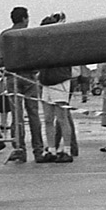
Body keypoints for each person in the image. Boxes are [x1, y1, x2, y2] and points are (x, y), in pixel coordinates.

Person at [0, 7, 45, 164]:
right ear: (24, 19)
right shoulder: (32, 35)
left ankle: (19, 149)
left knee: (17, 116)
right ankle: (38, 150)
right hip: (30, 77)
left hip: (13, 77)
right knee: (34, 115)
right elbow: (40, 57)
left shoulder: (4, 36)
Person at [35, 13, 77, 163]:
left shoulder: (61, 45)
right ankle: (51, 149)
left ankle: (67, 149)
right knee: (47, 118)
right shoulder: (42, 45)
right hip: (46, 81)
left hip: (59, 81)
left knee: (62, 117)